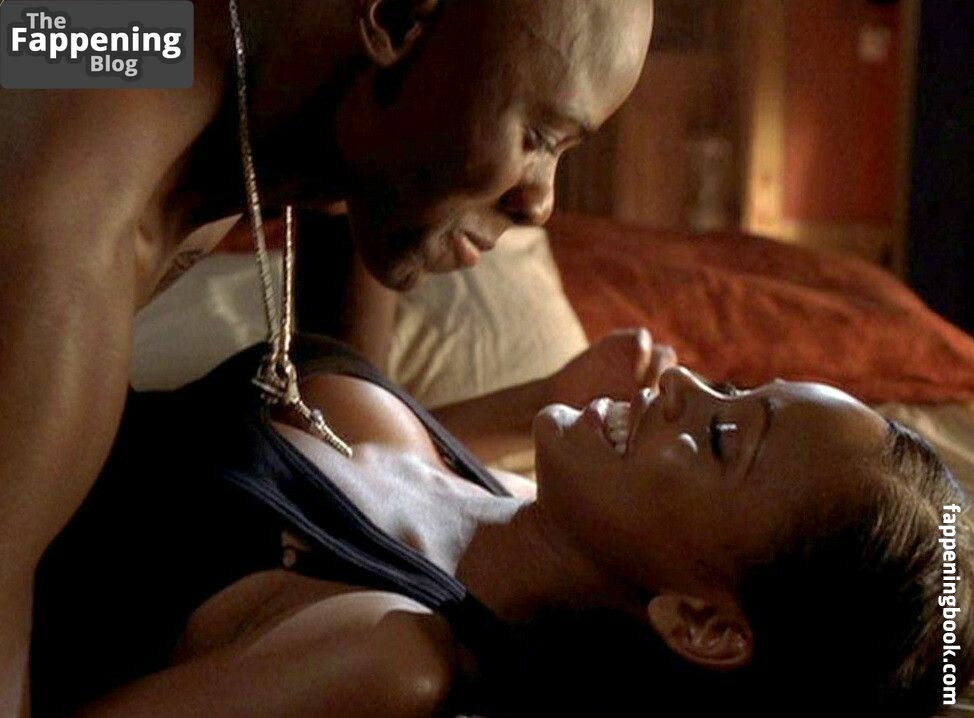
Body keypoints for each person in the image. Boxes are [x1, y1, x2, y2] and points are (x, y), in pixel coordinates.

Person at [0, 0, 656, 710]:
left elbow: (329, 437)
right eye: (539, 137)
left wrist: (531, 404)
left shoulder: (170, 47)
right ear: (397, 23)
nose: (540, 204)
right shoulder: (65, 230)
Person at [31, 332, 974, 717]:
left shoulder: (389, 655)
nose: (686, 384)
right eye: (735, 386)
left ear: (701, 622)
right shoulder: (522, 497)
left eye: (726, 437)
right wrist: (538, 400)